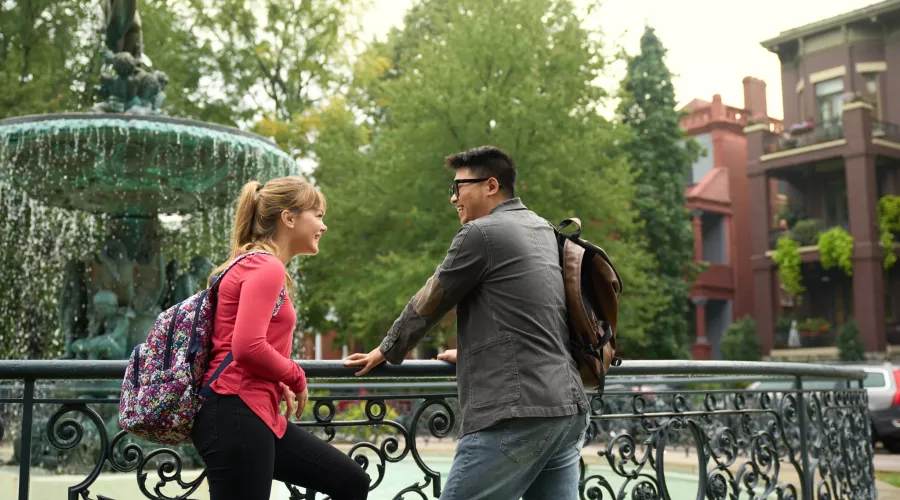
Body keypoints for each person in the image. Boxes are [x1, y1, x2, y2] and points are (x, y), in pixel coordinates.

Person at [344, 146, 590, 499]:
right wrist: (477, 353)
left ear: (491, 185)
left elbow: (432, 298)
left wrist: (386, 349)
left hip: (517, 410)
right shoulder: (543, 229)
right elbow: (541, 317)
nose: (453, 198)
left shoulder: (482, 233)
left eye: (459, 187)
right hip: (568, 410)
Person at [192, 177, 370, 500]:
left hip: (252, 413)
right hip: (236, 412)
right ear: (289, 218)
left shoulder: (253, 263)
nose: (323, 226)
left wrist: (277, 378)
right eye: (317, 215)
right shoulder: (266, 266)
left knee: (351, 481)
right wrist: (295, 375)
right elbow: (246, 346)